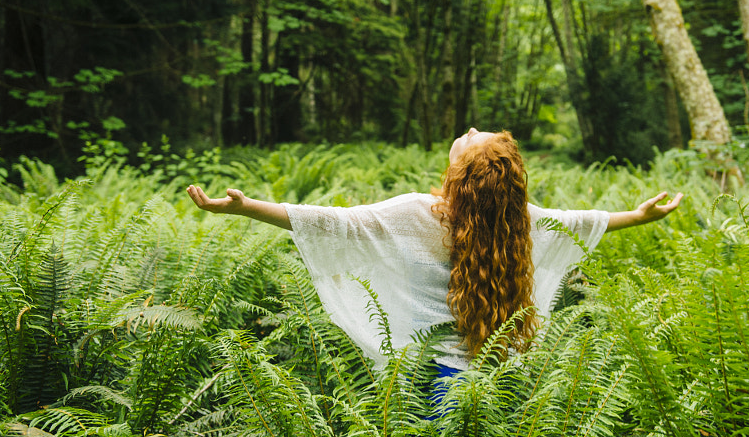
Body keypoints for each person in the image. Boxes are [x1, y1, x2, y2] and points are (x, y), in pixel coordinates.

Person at [186, 128, 681, 376]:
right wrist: (639, 217)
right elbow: (581, 222)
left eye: (473, 138)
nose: (468, 130)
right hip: (485, 374)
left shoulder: (415, 211)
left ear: (463, 170)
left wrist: (247, 207)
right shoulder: (519, 221)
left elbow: (329, 222)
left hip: (419, 376)